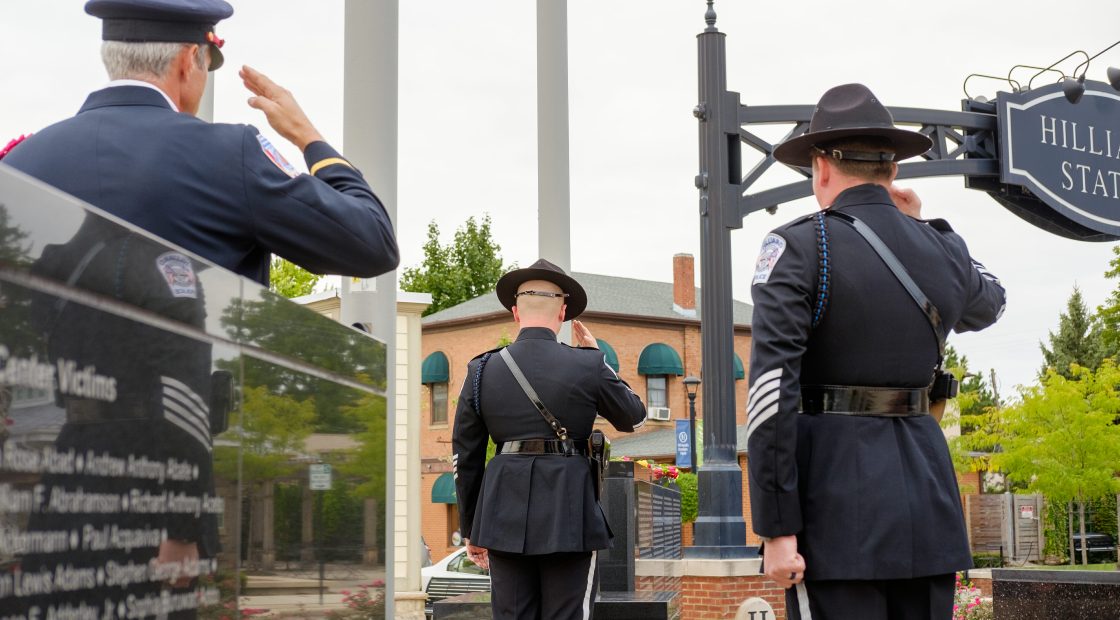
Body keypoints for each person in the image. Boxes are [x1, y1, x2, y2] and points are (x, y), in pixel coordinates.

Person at [745, 83, 1006, 619]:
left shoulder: (797, 246)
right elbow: (991, 302)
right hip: (929, 507)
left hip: (835, 514)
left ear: (820, 168)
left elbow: (771, 395)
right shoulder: (940, 246)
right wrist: (928, 228)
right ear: (893, 171)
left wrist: (776, 528)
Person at [1, 0, 398, 286]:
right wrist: (309, 138)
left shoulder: (19, 165)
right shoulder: (229, 154)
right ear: (189, 60)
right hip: (186, 401)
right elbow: (372, 243)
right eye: (207, 64)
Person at [452, 259, 647, 620]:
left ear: (515, 312)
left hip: (501, 511)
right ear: (563, 313)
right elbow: (634, 417)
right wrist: (598, 360)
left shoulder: (480, 370)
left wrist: (471, 528)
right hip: (569, 509)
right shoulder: (588, 364)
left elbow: (467, 456)